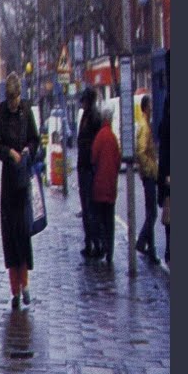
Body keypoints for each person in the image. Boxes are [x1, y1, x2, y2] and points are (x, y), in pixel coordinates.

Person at [0, 72, 41, 310]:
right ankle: (14, 291)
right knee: (10, 236)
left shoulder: (26, 111)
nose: (13, 104)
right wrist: (9, 153)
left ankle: (25, 285)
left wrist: (27, 151)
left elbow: (35, 139)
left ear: (19, 96)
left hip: (23, 180)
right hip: (8, 182)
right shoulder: (2, 111)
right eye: (10, 99)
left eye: (15, 99)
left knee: (23, 234)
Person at [90, 106, 120, 267]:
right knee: (110, 221)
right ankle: (110, 253)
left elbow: (93, 158)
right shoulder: (113, 138)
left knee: (100, 219)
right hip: (111, 186)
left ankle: (103, 246)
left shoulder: (100, 137)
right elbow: (118, 160)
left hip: (99, 186)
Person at [76, 88, 102, 259]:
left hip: (89, 168)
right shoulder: (85, 116)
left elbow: (95, 144)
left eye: (85, 101)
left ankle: (96, 244)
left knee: (91, 209)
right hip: (83, 166)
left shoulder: (94, 117)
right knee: (86, 209)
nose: (83, 104)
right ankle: (89, 243)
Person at [134, 95, 161, 265]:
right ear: (145, 107)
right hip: (149, 175)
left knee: (150, 212)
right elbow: (142, 151)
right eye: (150, 105)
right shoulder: (144, 127)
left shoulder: (145, 124)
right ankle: (142, 242)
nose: (152, 107)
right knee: (152, 213)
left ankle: (149, 248)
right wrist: (150, 170)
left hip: (149, 174)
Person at [157, 95, 171, 263]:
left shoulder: (163, 124)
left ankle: (169, 248)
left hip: (166, 174)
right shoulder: (168, 125)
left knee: (169, 213)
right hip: (169, 175)